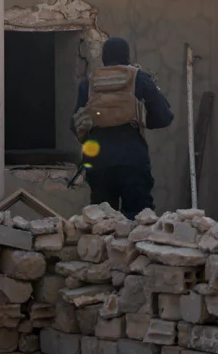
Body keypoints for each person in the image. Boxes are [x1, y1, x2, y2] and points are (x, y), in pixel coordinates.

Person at [71, 37, 174, 218]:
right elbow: (164, 117)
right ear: (127, 57)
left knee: (101, 220)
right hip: (132, 159)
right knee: (139, 219)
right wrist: (140, 119)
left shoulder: (89, 83)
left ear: (104, 58)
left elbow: (74, 125)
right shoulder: (139, 78)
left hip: (98, 161)